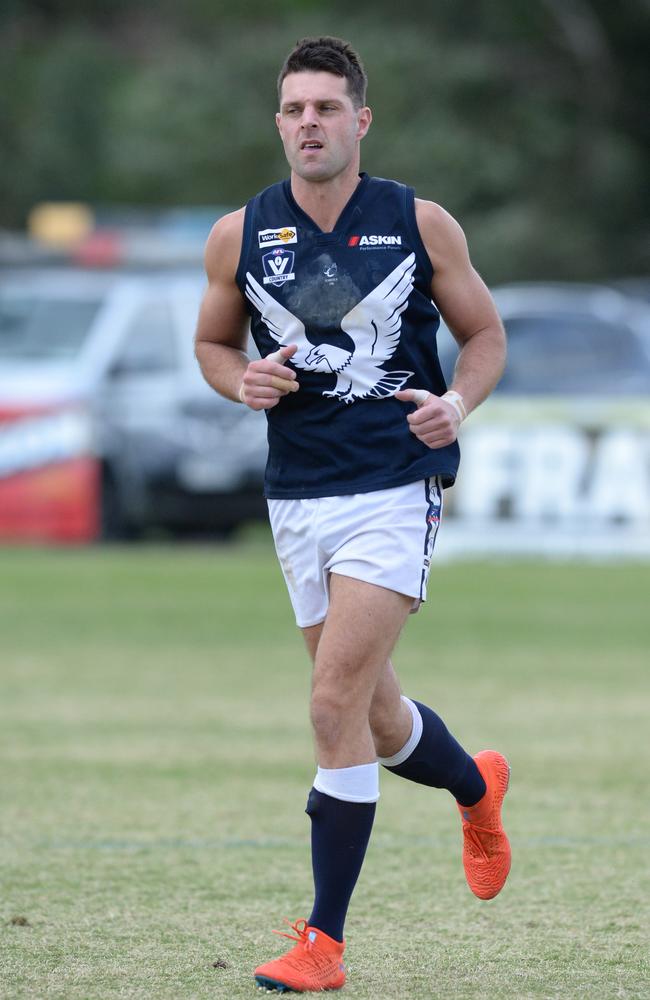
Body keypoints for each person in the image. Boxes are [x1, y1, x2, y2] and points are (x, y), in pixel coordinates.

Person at [195, 35, 510, 994]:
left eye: (327, 108)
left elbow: (485, 335)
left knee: (330, 704)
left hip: (391, 484)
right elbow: (212, 343)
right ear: (278, 122)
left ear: (359, 120)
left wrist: (455, 404)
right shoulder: (238, 233)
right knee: (372, 719)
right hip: (297, 494)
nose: (309, 124)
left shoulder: (418, 222)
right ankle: (475, 787)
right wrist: (236, 378)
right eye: (294, 110)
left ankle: (321, 945)